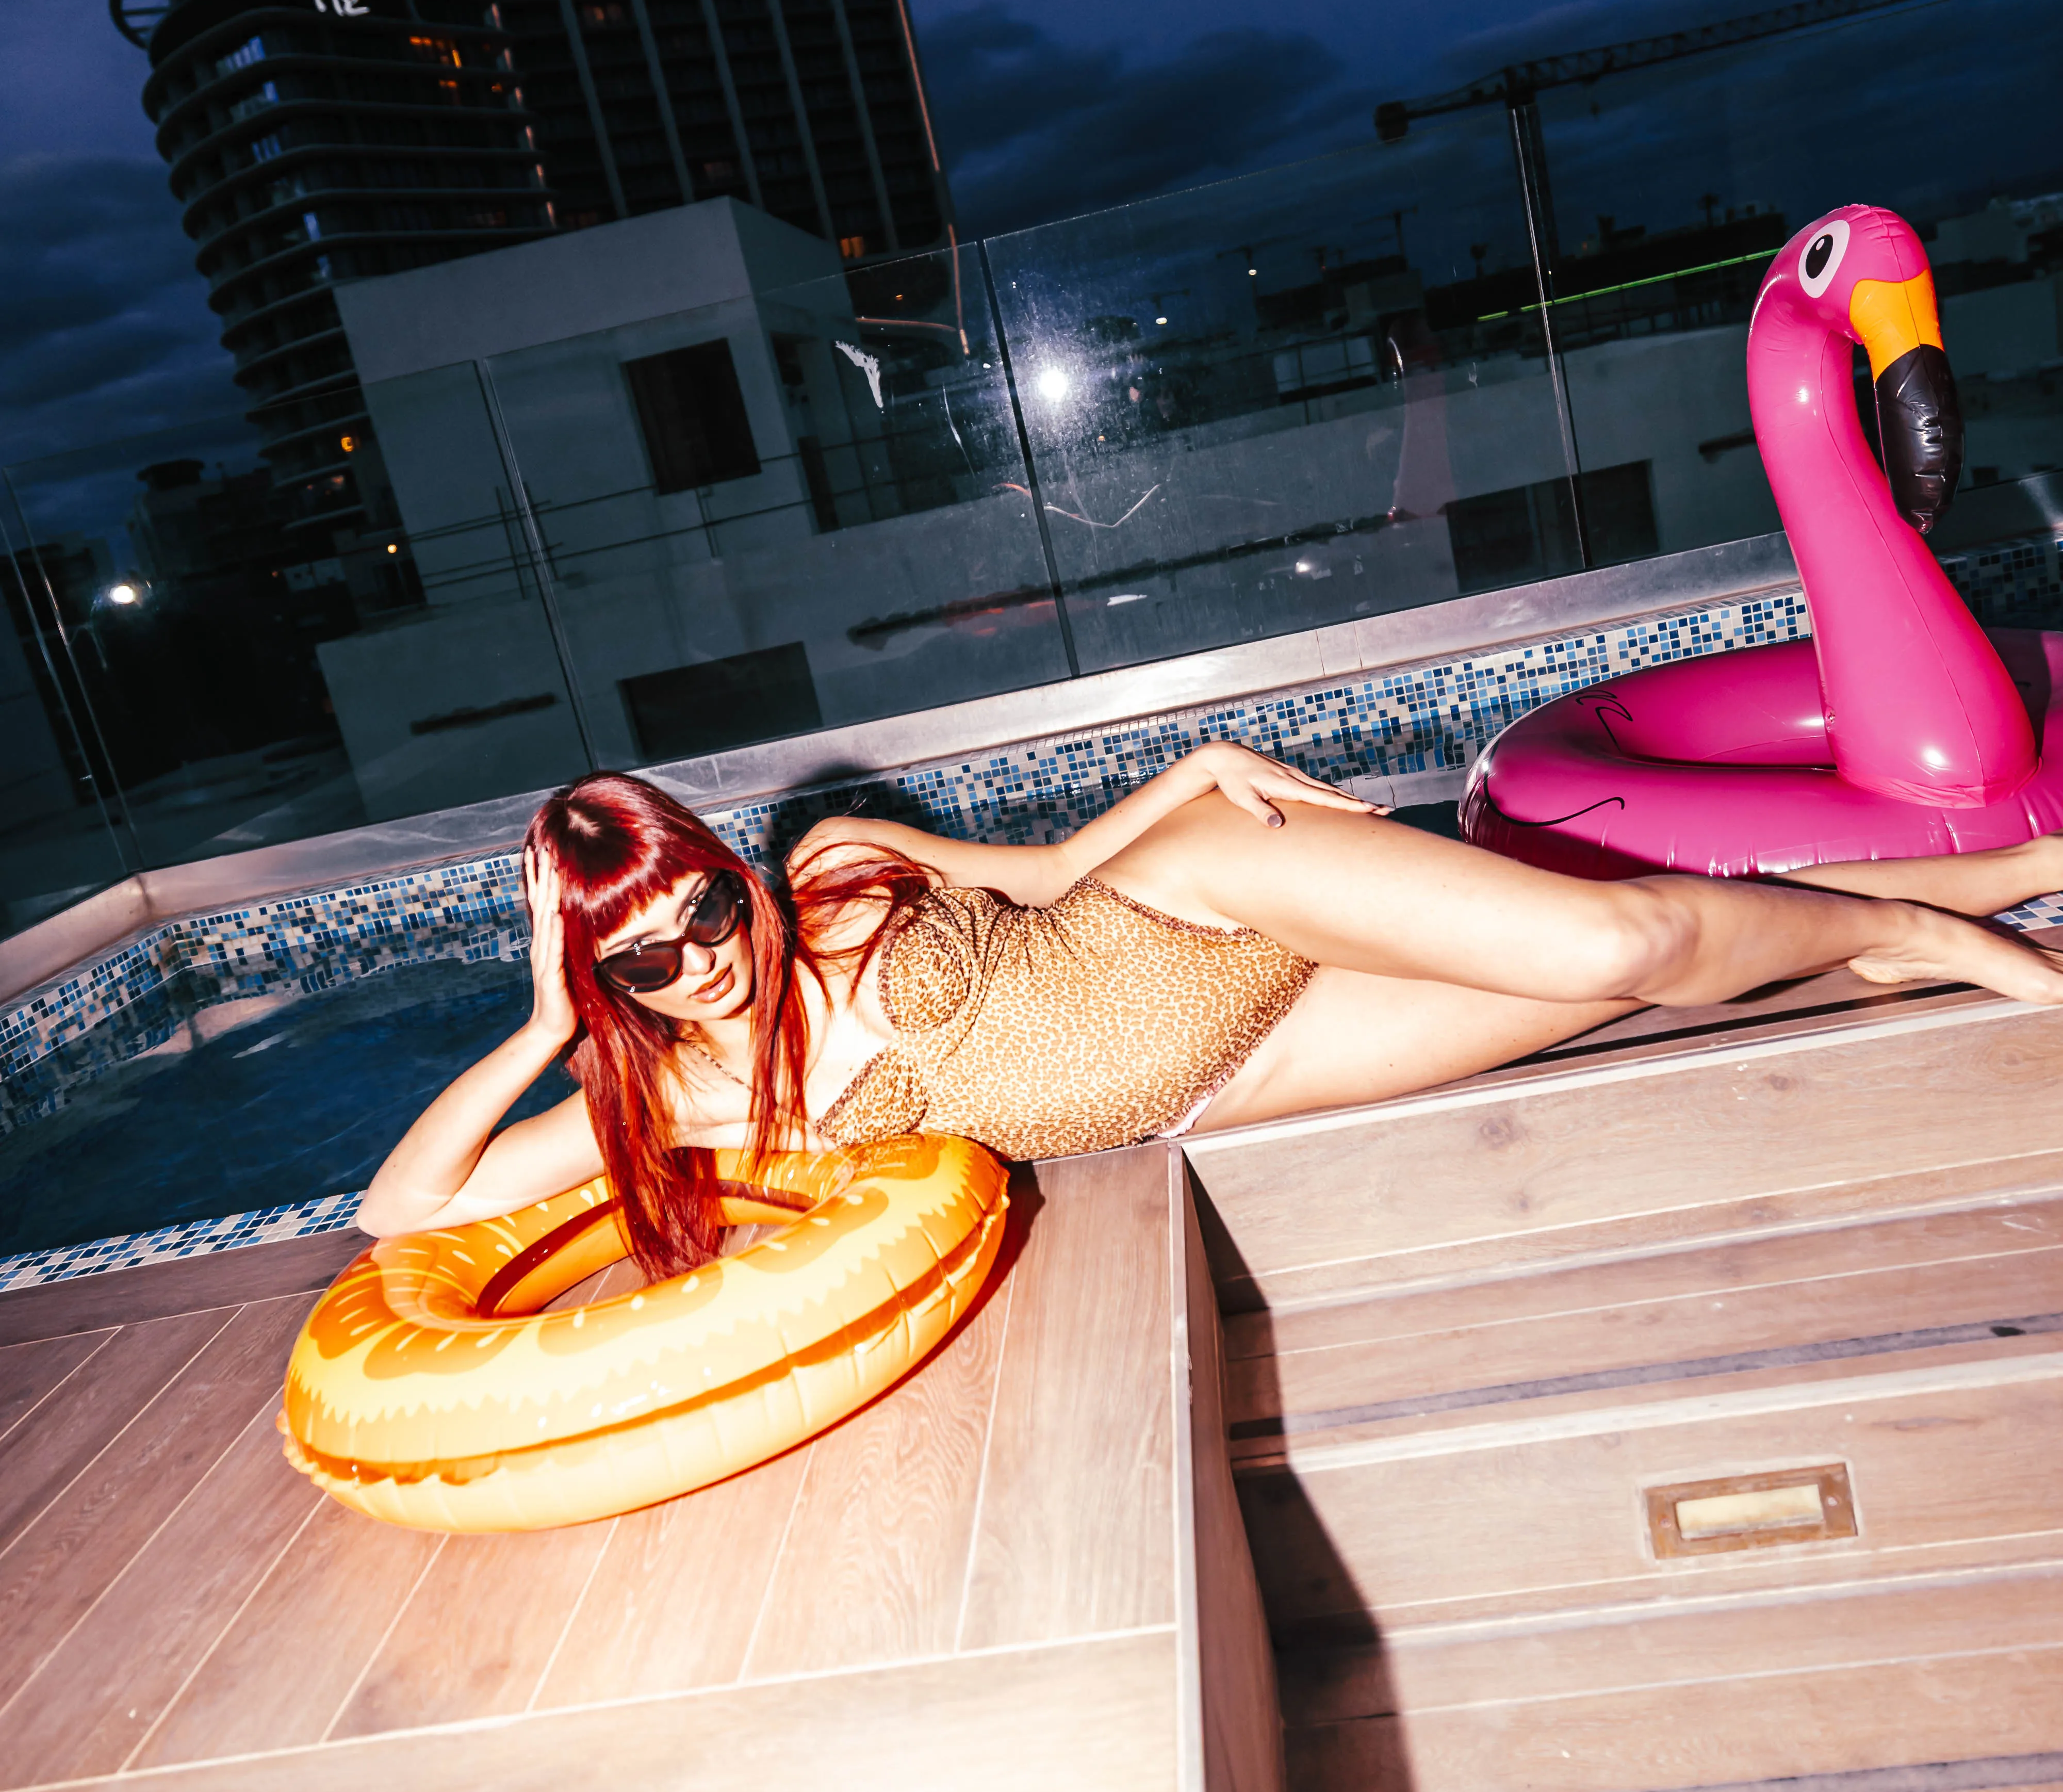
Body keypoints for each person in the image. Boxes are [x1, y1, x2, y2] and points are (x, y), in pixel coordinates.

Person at [360, 746, 2063, 1276]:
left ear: (734, 873)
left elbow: (1039, 876)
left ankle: (1964, 921)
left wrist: (1196, 778)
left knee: (1610, 951)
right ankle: (1923, 918)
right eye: (644, 958)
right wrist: (537, 1023)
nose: (704, 960)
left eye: (703, 908)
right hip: (1243, 1070)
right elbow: (401, 1212)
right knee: (1636, 990)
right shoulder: (677, 1106)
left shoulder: (831, 861)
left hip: (1200, 898)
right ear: (611, 979)